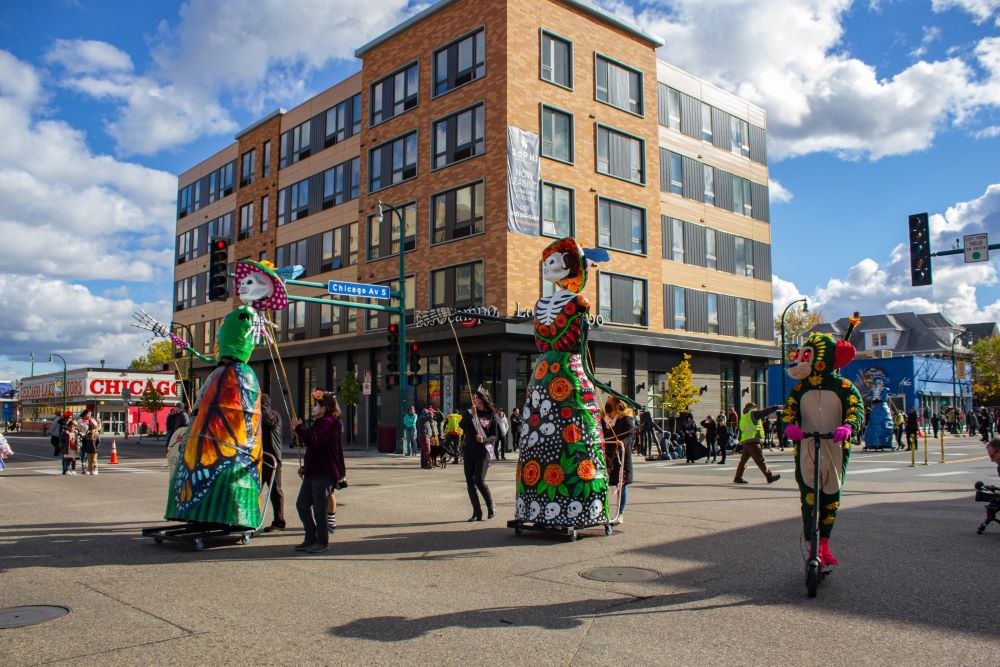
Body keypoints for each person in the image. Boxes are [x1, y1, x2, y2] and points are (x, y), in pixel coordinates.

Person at [291, 392, 344, 554]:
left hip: (324, 472)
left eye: (316, 405)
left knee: (319, 509)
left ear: (324, 408)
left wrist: (299, 428)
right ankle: (311, 537)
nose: (313, 408)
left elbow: (313, 439)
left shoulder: (329, 422)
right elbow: (314, 448)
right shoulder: (320, 422)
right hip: (314, 472)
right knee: (302, 505)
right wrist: (305, 468)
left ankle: (322, 541)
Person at [460, 387, 498, 522]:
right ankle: (477, 512)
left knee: (479, 480)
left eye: (477, 398)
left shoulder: (491, 415)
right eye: (474, 398)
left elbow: (495, 436)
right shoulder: (469, 412)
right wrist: (471, 415)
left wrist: (485, 439)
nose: (475, 400)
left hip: (483, 453)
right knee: (470, 483)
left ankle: (491, 505)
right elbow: (461, 426)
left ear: (483, 399)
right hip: (469, 452)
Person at [733, 402, 783, 484]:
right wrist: (776, 407)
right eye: (754, 407)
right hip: (753, 440)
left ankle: (738, 477)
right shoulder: (752, 413)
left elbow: (741, 430)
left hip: (746, 441)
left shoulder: (743, 417)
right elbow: (764, 412)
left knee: (743, 461)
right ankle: (769, 476)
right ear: (750, 408)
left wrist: (740, 442)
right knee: (760, 459)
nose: (756, 409)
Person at [602, 397, 634, 523]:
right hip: (605, 456)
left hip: (620, 456)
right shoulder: (603, 418)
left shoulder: (625, 419)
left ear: (616, 404)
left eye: (610, 401)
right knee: (602, 483)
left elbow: (630, 436)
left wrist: (622, 443)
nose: (607, 403)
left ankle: (620, 513)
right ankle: (603, 510)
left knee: (621, 484)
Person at [260, 394, 285, 532]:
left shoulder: (274, 415)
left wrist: (262, 408)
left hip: (272, 459)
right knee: (254, 489)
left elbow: (269, 418)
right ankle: (253, 519)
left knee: (275, 490)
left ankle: (279, 521)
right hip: (259, 458)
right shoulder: (259, 416)